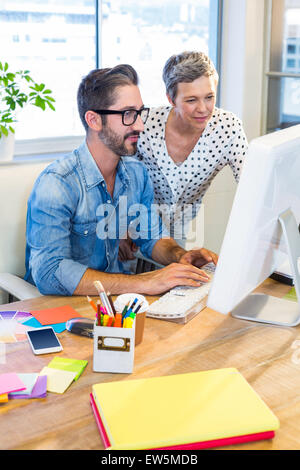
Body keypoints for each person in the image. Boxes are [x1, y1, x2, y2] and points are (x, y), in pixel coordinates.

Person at [25, 64, 218, 297]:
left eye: (139, 113)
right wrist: (144, 282)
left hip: (118, 307)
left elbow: (152, 237)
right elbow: (48, 273)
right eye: (128, 114)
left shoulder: (136, 173)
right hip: (63, 310)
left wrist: (180, 256)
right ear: (94, 120)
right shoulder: (57, 184)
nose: (140, 125)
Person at [118, 51, 248, 262]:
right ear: (171, 99)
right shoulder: (145, 122)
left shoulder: (228, 128)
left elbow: (252, 183)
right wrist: (120, 228)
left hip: (177, 232)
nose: (203, 109)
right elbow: (117, 173)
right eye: (191, 100)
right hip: (130, 228)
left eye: (209, 97)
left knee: (175, 287)